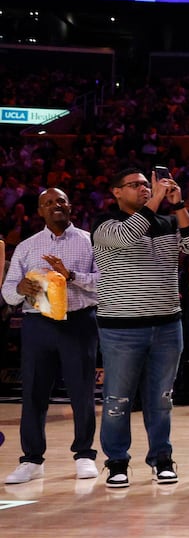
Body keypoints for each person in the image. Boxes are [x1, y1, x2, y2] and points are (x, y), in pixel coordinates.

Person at [94, 167, 189, 487]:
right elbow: (129, 237)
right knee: (118, 399)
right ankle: (117, 461)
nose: (145, 188)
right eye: (136, 185)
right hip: (121, 327)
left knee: (162, 398)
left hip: (168, 325)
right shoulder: (105, 224)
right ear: (117, 192)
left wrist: (178, 204)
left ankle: (162, 458)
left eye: (148, 184)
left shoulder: (168, 222)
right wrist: (156, 200)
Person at [2, 188, 99, 484]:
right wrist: (20, 289)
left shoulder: (89, 241)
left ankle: (84, 453)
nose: (55, 205)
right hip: (38, 324)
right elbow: (7, 291)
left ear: (70, 206)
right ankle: (32, 459)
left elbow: (104, 283)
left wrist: (70, 276)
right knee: (33, 392)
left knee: (82, 391)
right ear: (40, 211)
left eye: (60, 201)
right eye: (48, 203)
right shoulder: (28, 246)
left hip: (78, 321)